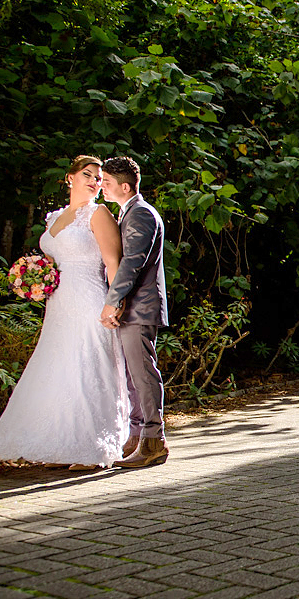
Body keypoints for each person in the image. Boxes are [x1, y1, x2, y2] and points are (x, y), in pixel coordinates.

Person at [0, 155, 129, 469]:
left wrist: (114, 302)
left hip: (90, 297)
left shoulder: (99, 214)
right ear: (69, 178)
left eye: (99, 178)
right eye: (87, 174)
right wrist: (34, 277)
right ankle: (59, 445)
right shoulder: (54, 218)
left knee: (88, 365)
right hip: (58, 304)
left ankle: (93, 446)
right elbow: (50, 261)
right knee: (59, 366)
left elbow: (113, 262)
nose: (94, 181)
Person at [99, 157, 170, 468]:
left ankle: (155, 441)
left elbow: (133, 263)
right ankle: (137, 436)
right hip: (135, 308)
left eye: (107, 182)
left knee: (143, 375)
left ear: (124, 186)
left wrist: (113, 300)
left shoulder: (140, 214)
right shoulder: (130, 212)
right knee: (132, 376)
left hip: (139, 308)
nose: (101, 186)